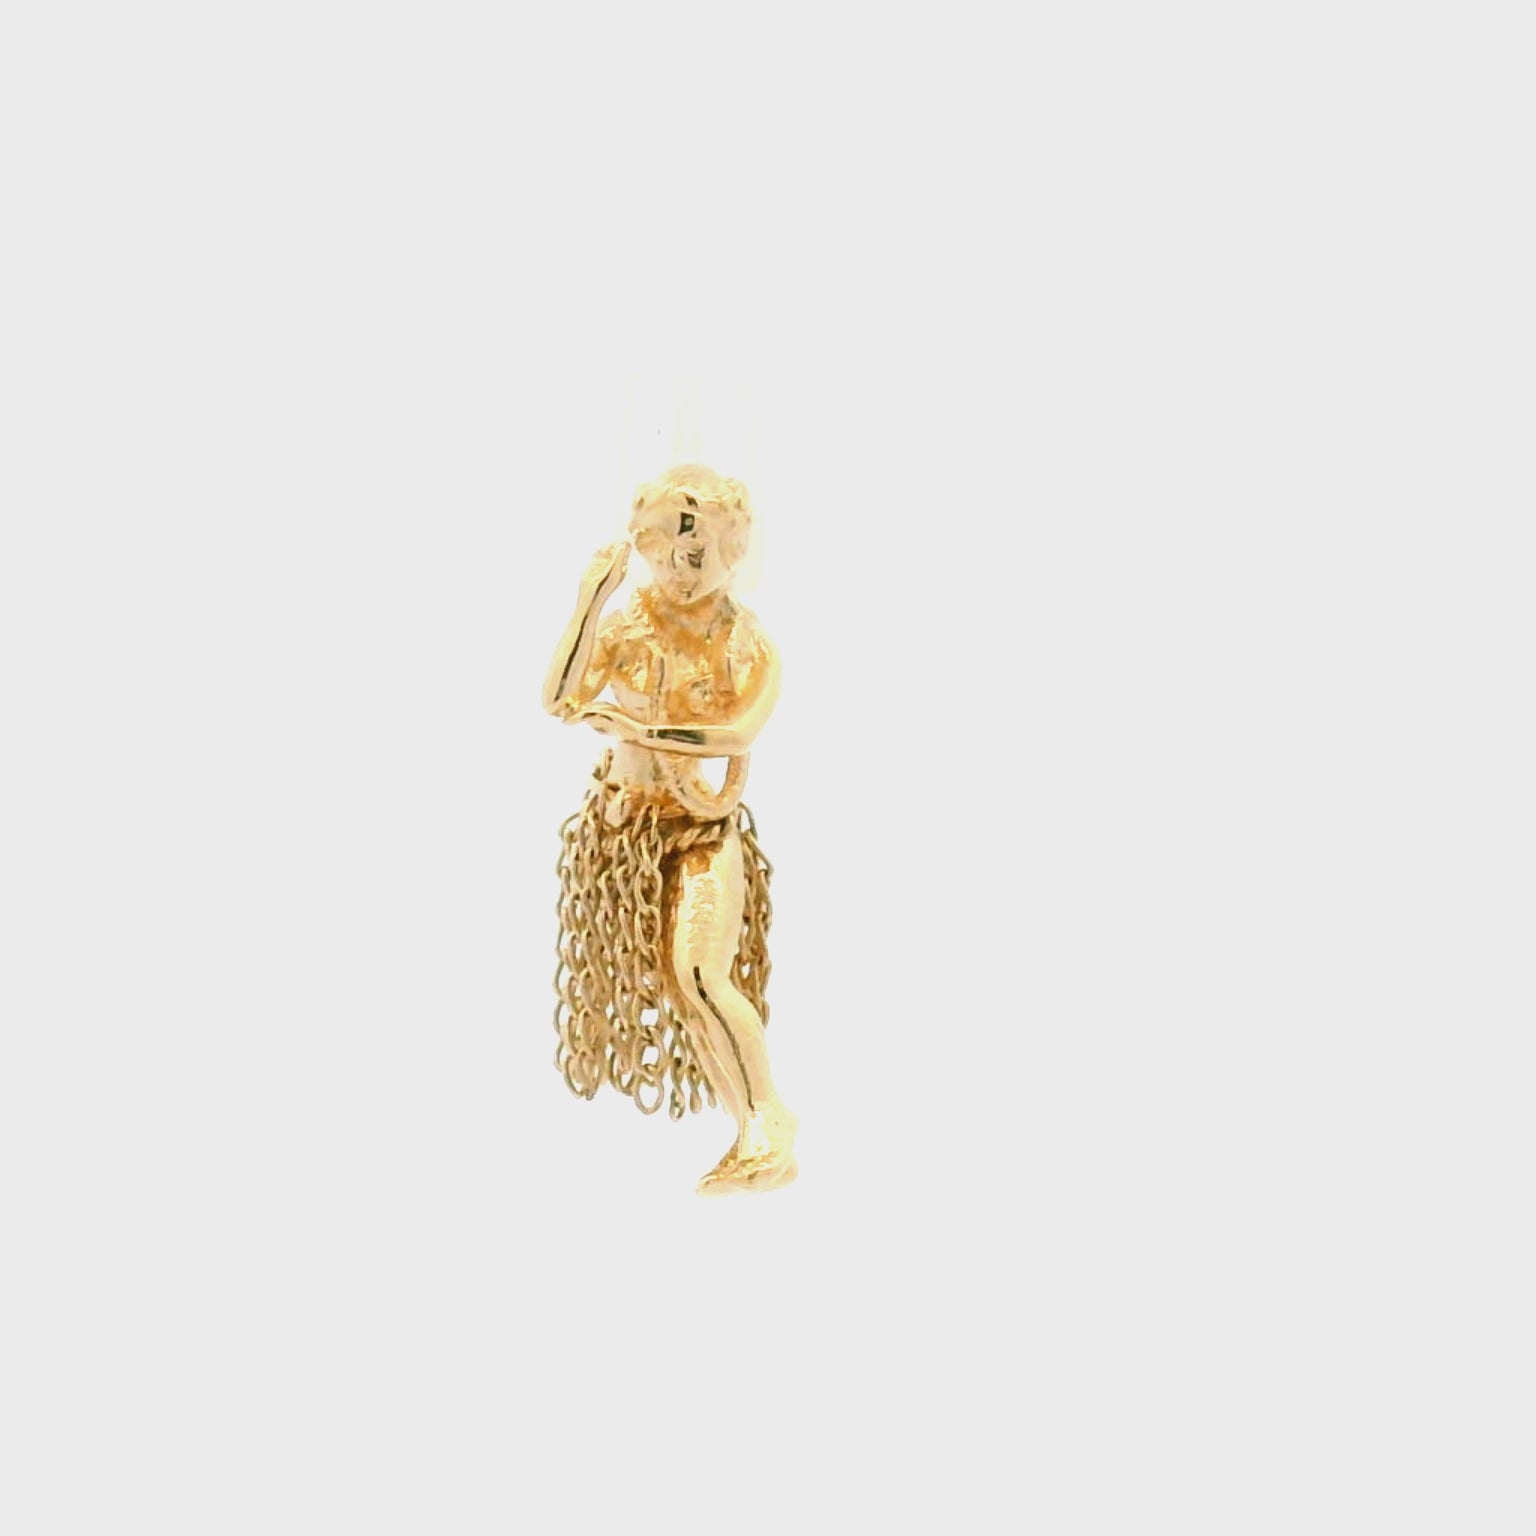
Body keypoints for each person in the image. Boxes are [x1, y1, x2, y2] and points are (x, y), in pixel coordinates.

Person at [542, 464, 797, 1194]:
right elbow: (560, 699)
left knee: (699, 973)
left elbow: (738, 732)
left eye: (694, 554)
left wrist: (638, 729)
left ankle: (770, 1117)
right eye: (661, 553)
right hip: (625, 835)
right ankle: (750, 1133)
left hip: (702, 832)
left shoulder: (745, 642)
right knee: (685, 994)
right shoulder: (629, 625)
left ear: (732, 552)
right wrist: (590, 601)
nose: (677, 570)